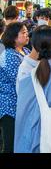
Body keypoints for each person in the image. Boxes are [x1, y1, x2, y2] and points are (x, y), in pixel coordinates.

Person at [0, 23, 29, 152]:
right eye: (23, 32)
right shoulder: (9, 56)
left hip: (20, 105)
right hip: (9, 107)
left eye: (26, 31)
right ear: (14, 37)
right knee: (10, 145)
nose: (26, 34)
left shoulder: (26, 51)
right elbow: (19, 81)